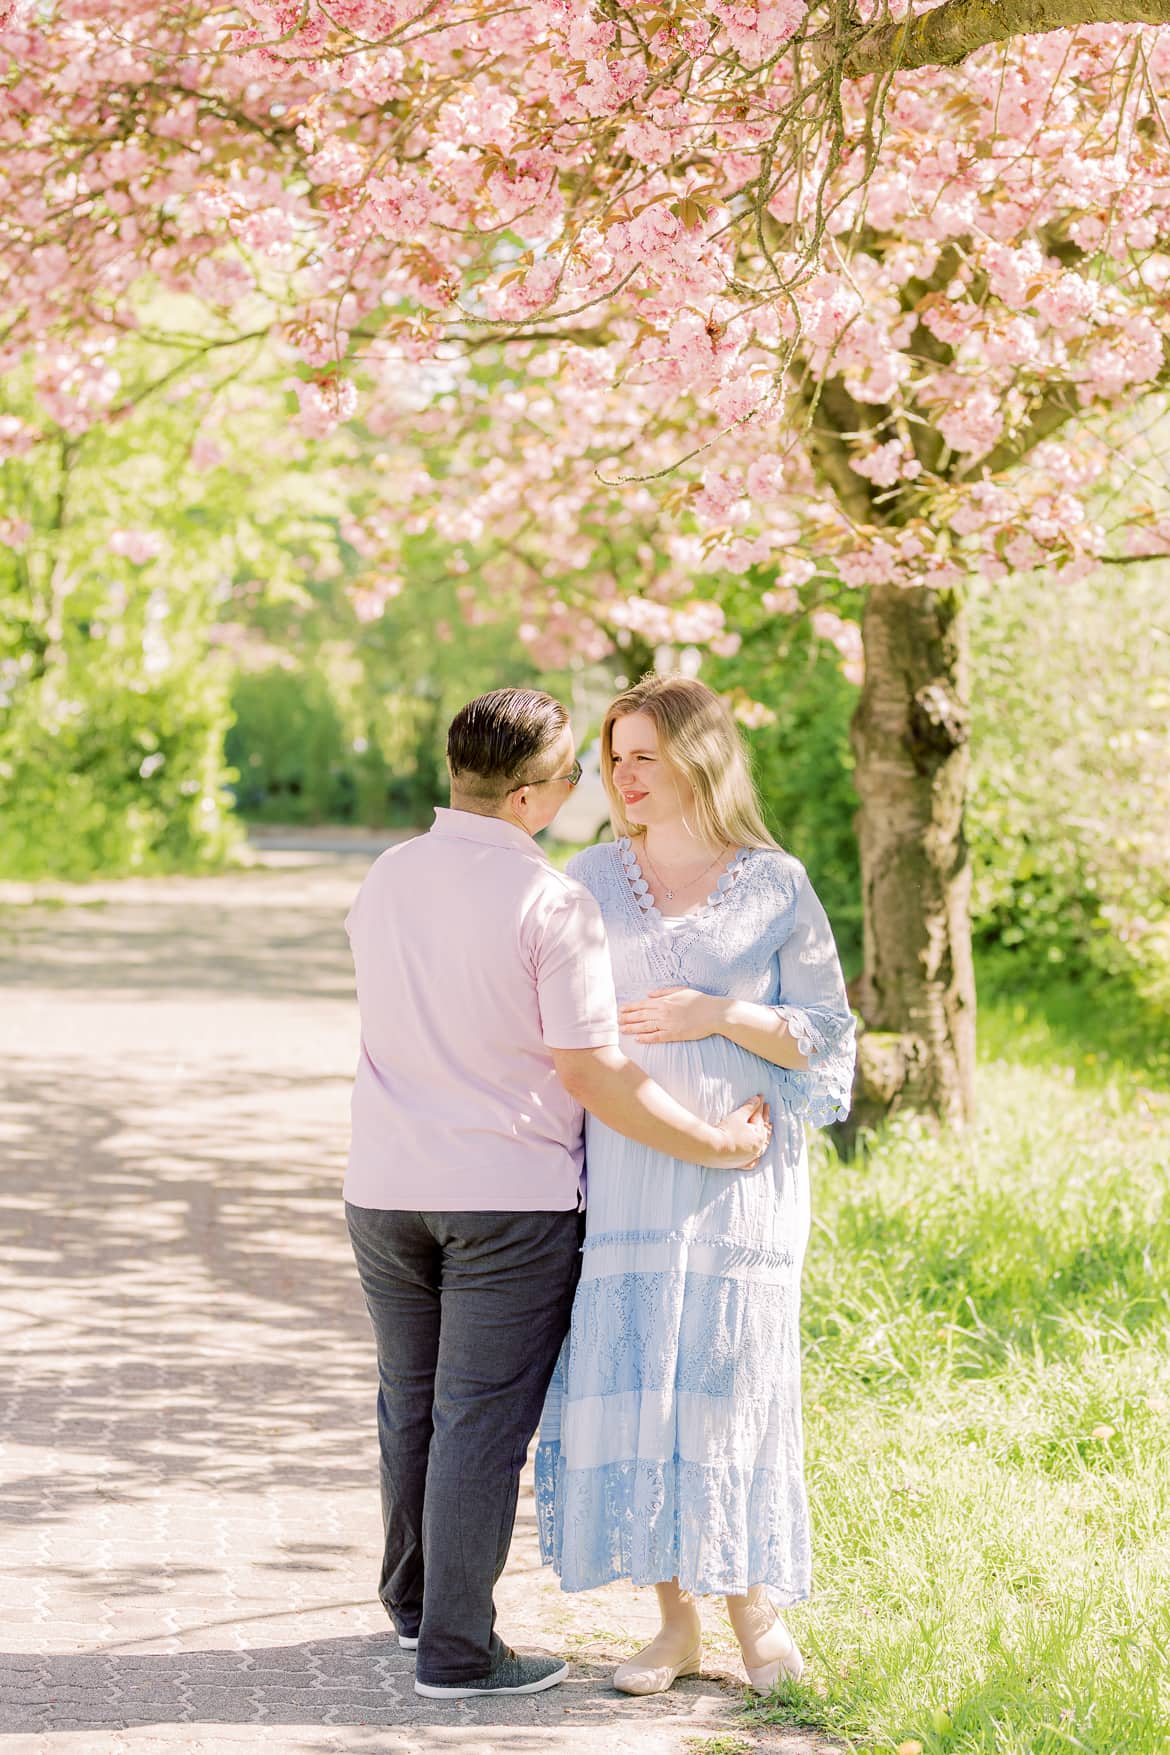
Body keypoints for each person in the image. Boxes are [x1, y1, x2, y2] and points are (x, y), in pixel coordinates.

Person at [343, 687, 772, 1702]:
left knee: (411, 1403)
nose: (586, 788)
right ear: (535, 795)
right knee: (479, 1421)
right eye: (577, 773)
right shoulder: (550, 903)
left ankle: (414, 1610)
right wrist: (713, 1142)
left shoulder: (386, 878)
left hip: (384, 1190)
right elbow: (593, 1072)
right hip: (508, 1203)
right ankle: (458, 1651)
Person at [535, 674, 856, 1694]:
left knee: (728, 1381)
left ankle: (757, 1624)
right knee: (640, 1382)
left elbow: (827, 1035)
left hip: (739, 1183)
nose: (622, 775)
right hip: (628, 1175)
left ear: (697, 759)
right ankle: (674, 1627)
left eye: (644, 756)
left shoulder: (775, 882)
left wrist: (717, 1012)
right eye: (614, 755)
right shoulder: (584, 876)